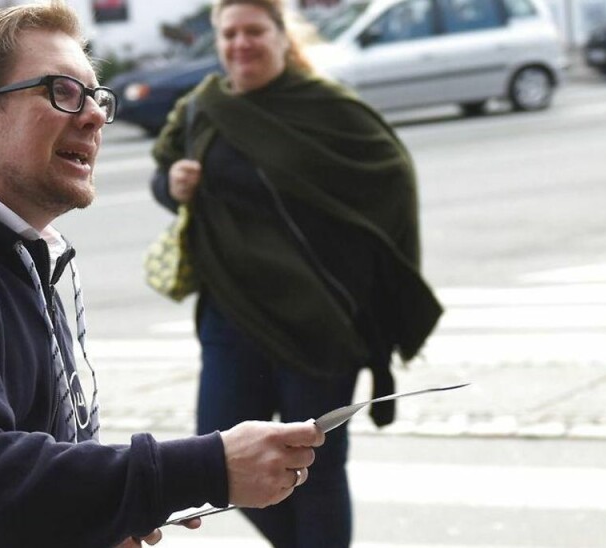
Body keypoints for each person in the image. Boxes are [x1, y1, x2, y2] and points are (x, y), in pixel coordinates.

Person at [0, 3, 327, 547]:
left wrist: (90, 520)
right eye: (62, 92)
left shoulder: (12, 245)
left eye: (96, 97)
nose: (92, 116)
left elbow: (22, 481)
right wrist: (204, 467)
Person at [149, 0, 443, 546]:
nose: (241, 44)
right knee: (218, 459)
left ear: (283, 37)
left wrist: (358, 278)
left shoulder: (328, 108)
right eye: (229, 33)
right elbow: (163, 167)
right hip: (232, 314)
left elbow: (392, 178)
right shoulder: (202, 107)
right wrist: (173, 185)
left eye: (254, 31)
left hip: (322, 324)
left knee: (315, 469)